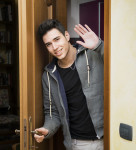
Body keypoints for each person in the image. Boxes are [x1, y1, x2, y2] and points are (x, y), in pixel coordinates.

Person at [34, 19, 104, 150]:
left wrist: (99, 46)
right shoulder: (49, 75)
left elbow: (120, 64)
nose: (54, 47)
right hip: (79, 143)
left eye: (57, 39)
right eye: (48, 44)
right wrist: (47, 129)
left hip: (109, 136)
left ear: (66, 35)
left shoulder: (92, 54)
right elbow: (52, 113)